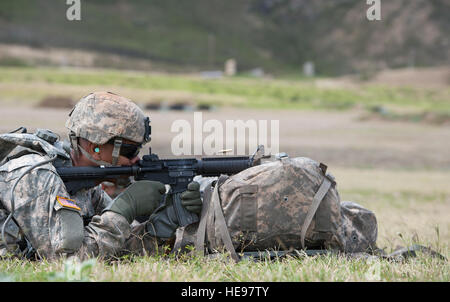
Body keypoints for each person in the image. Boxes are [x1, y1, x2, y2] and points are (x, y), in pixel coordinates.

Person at [0, 91, 202, 260]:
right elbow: (68, 264)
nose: (135, 159)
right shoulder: (36, 174)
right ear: (94, 147)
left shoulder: (86, 187)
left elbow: (118, 249)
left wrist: (167, 218)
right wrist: (124, 209)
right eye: (130, 151)